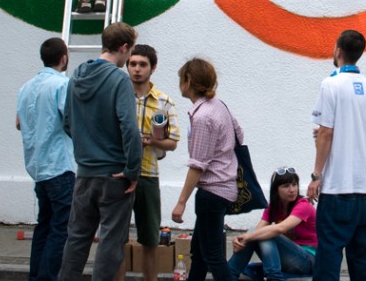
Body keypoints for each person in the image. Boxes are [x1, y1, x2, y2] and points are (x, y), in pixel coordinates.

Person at [58, 22, 142, 281]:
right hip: (114, 174)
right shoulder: (119, 79)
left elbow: (67, 123)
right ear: (125, 47)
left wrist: (87, 149)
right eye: (130, 53)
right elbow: (129, 127)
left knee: (77, 239)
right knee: (110, 243)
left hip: (84, 173)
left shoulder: (76, 77)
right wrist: (132, 170)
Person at [307, 29, 366, 281]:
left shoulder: (330, 84)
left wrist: (316, 175)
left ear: (338, 51)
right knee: (363, 262)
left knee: (328, 259)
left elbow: (326, 133)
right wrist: (356, 131)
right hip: (365, 190)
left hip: (336, 189)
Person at [113, 45, 180, 281]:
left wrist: (152, 140)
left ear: (153, 67)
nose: (137, 69)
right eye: (132, 64)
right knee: (116, 240)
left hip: (148, 174)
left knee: (150, 239)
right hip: (118, 174)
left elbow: (173, 142)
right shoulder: (117, 95)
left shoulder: (164, 101)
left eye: (142, 64)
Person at [171, 58, 241, 281]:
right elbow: (240, 135)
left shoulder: (202, 116)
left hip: (212, 191)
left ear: (188, 81)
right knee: (199, 253)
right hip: (224, 188)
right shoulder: (219, 107)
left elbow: (198, 164)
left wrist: (181, 202)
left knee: (212, 255)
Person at [16, 37, 75, 281]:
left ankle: (36, 276)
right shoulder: (62, 84)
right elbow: (70, 121)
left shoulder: (26, 87)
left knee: (43, 225)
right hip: (59, 165)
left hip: (37, 166)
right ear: (64, 58)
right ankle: (47, 277)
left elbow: (19, 123)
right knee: (60, 229)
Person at [228, 167, 316, 281]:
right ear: (276, 189)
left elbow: (280, 228)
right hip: (287, 259)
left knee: (269, 232)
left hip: (308, 261)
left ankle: (274, 277)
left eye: (294, 185)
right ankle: (228, 275)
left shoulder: (304, 205)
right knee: (258, 233)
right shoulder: (273, 207)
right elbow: (257, 231)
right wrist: (242, 239)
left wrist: (247, 236)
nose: (292, 189)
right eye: (286, 186)